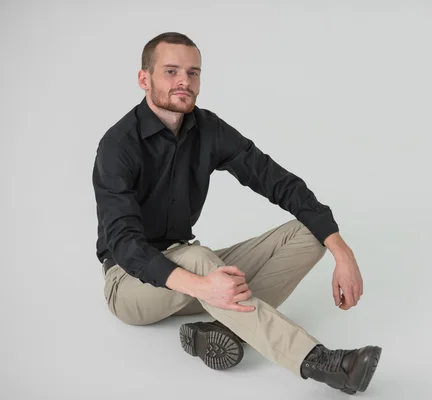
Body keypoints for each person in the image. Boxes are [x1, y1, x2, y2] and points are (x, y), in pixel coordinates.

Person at [92, 31, 381, 395]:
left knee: (309, 232)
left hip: (190, 269)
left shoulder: (207, 129)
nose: (184, 81)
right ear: (143, 78)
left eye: (193, 72)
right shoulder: (118, 145)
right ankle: (319, 361)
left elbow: (277, 181)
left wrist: (343, 250)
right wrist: (201, 284)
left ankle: (221, 333)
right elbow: (125, 245)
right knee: (197, 256)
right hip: (129, 285)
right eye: (171, 71)